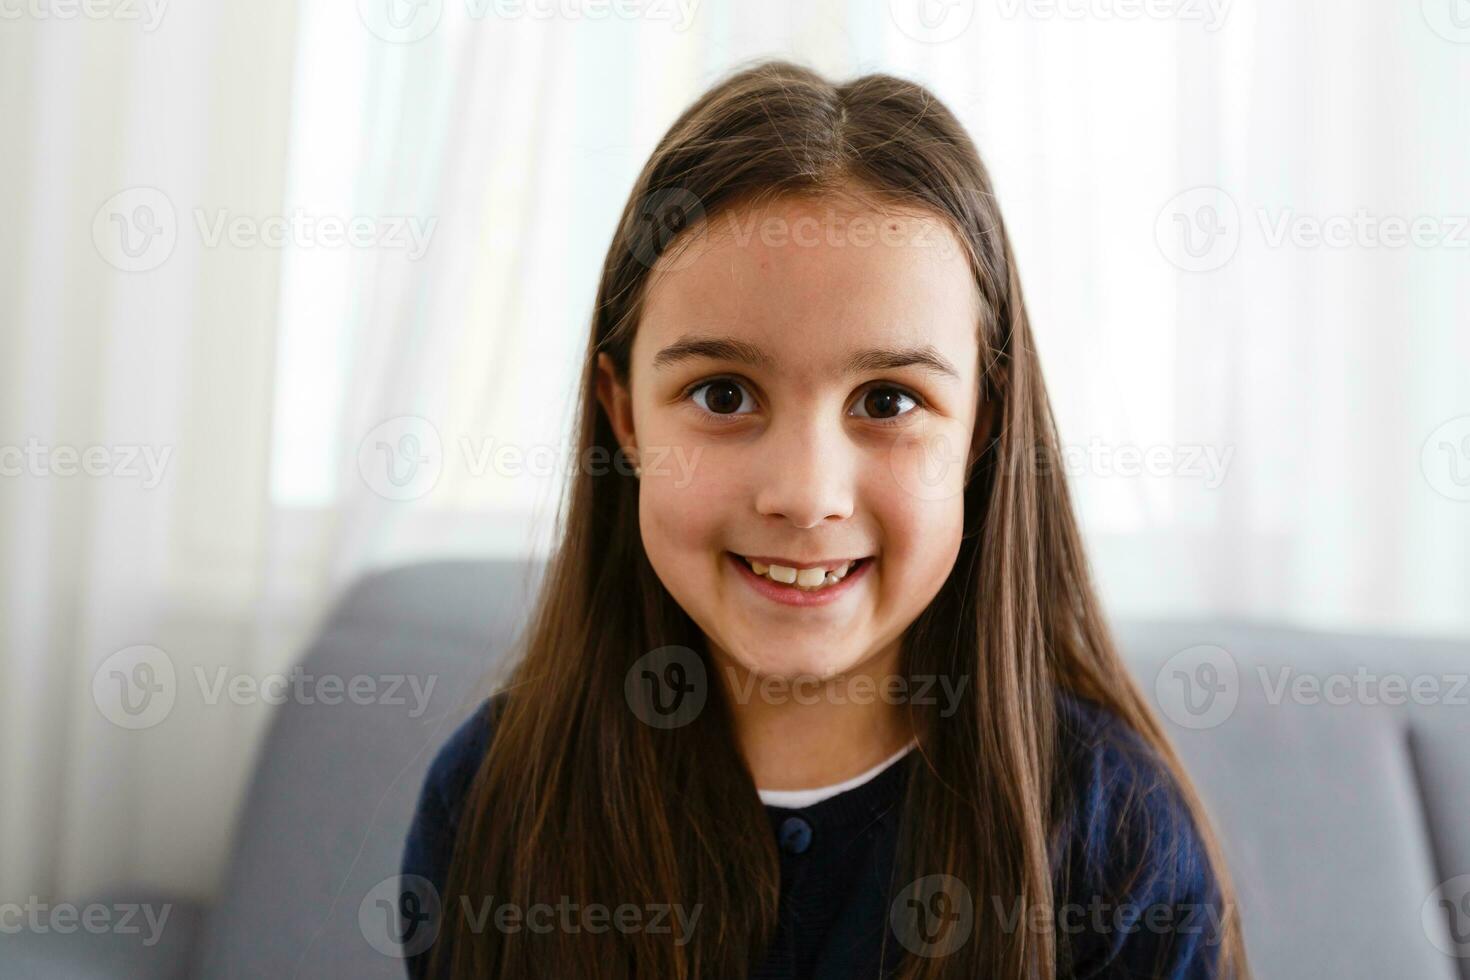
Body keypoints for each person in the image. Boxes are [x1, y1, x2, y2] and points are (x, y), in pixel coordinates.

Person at [399, 58, 1249, 980]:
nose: (806, 495)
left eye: (887, 402)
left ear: (982, 431)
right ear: (625, 416)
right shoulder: (491, 800)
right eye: (723, 394)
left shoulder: (1113, 842)